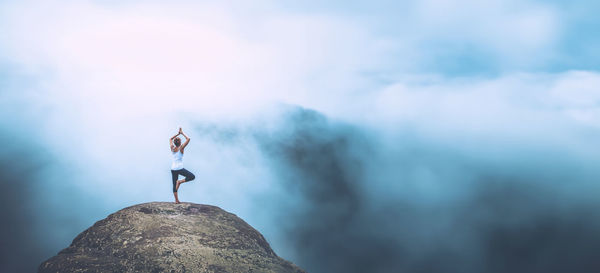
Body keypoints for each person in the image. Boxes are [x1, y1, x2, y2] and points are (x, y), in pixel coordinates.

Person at [169, 127, 195, 204]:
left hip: (173, 169)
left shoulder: (172, 148)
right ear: (180, 143)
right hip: (180, 168)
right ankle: (180, 182)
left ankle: (176, 200)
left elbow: (170, 139)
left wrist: (177, 133)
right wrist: (182, 133)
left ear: (174, 143)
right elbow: (188, 139)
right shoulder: (181, 148)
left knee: (174, 184)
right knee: (192, 177)